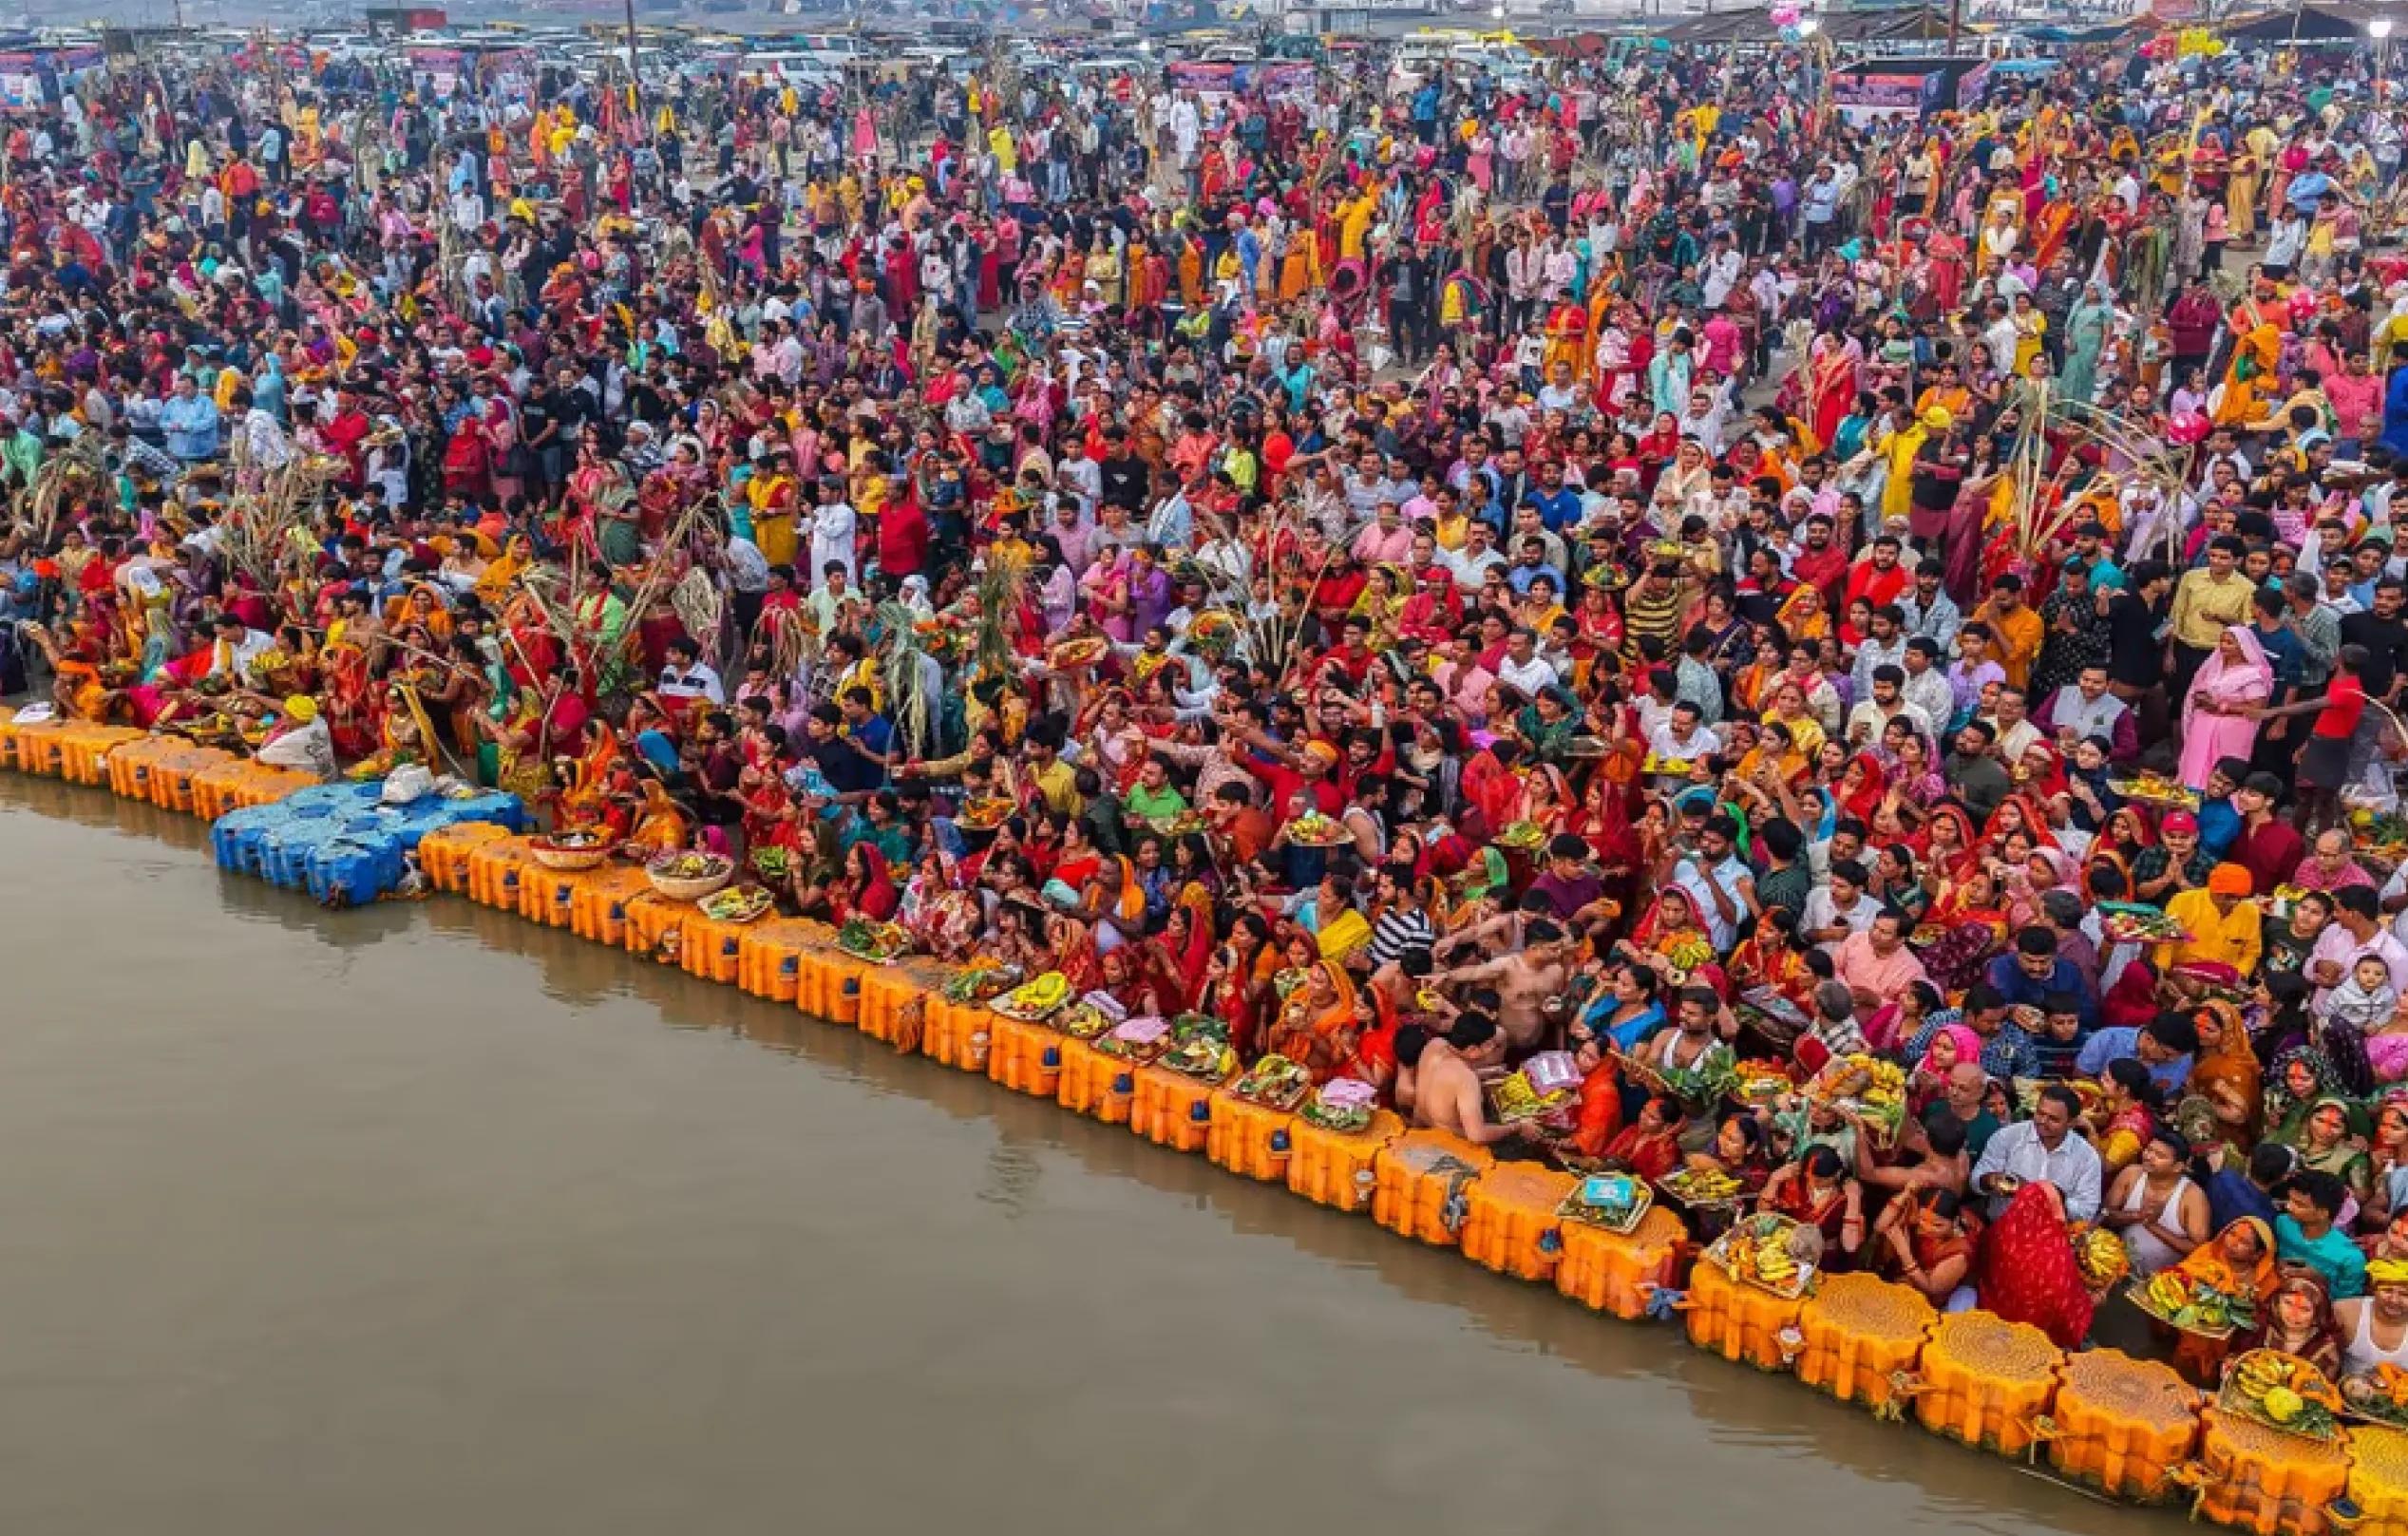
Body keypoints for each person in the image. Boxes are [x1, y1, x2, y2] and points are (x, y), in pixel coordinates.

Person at [1971, 1083, 2103, 1223]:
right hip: (2002, 1226)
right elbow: (1975, 1181)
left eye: (2053, 1119)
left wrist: (2044, 1194)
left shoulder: (2087, 1157)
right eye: (2040, 1113)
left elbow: (2086, 1212)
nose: (2043, 1121)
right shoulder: (2007, 1137)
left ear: (2071, 1123)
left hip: (2054, 1234)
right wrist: (1991, 1180)